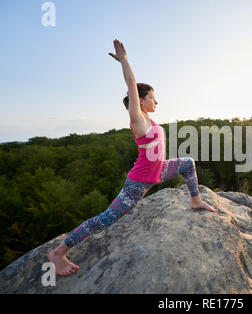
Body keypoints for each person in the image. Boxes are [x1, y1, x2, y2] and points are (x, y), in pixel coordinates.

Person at [48, 39, 217, 276]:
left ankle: (195, 200)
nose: (156, 101)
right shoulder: (137, 120)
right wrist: (124, 60)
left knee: (188, 163)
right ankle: (58, 252)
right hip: (138, 183)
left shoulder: (151, 120)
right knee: (106, 219)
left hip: (159, 171)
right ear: (141, 100)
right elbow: (131, 83)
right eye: (152, 97)